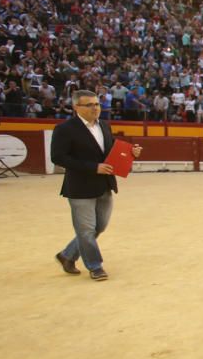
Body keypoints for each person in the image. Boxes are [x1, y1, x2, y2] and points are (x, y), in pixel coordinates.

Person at [51, 90, 143, 281]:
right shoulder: (65, 129)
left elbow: (110, 150)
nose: (95, 108)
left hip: (104, 183)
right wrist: (93, 167)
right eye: (90, 105)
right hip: (79, 186)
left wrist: (131, 152)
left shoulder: (104, 125)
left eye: (97, 104)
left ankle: (67, 255)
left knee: (99, 226)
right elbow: (58, 157)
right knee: (86, 229)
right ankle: (95, 266)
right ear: (77, 108)